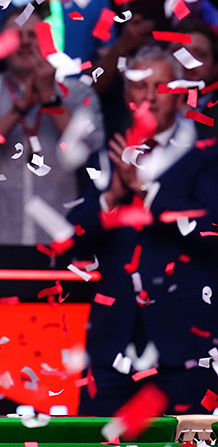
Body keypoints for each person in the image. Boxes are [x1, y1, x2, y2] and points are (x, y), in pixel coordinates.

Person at [68, 45, 218, 414]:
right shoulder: (106, 156)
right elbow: (75, 241)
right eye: (139, 85)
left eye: (161, 86)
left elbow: (209, 230)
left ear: (179, 95)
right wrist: (112, 198)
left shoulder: (206, 153)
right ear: (126, 95)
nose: (150, 96)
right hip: (112, 341)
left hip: (183, 341)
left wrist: (146, 191)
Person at [0, 4, 104, 245]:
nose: (25, 43)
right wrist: (19, 109)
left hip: (61, 236)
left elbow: (89, 153)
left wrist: (50, 98)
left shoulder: (79, 92)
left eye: (33, 35)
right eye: (16, 37)